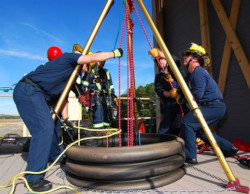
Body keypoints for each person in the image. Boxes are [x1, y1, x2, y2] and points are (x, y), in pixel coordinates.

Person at [13, 46, 123, 192]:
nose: (85, 70)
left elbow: (64, 99)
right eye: (86, 67)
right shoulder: (69, 58)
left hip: (40, 95)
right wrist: (115, 53)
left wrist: (66, 120)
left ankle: (55, 157)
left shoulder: (69, 78)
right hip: (29, 91)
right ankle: (33, 177)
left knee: (53, 125)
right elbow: (95, 57)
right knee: (44, 129)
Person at [180, 43, 238, 164]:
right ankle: (229, 148)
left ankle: (190, 156)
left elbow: (197, 95)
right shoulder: (193, 75)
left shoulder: (198, 72)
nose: (184, 57)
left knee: (187, 123)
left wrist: (181, 99)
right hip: (215, 106)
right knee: (202, 132)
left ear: (195, 58)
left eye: (187, 54)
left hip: (213, 106)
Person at [153, 51, 187, 135]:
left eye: (161, 59)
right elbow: (158, 90)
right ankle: (161, 143)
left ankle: (195, 140)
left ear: (167, 59)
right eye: (158, 60)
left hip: (183, 100)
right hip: (169, 103)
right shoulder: (159, 76)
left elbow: (177, 61)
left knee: (189, 121)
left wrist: (161, 53)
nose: (159, 61)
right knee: (165, 126)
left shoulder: (176, 69)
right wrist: (169, 94)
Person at [79, 56, 118, 129]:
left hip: (107, 100)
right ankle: (98, 135)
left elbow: (111, 86)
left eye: (104, 61)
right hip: (96, 99)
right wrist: (84, 97)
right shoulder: (90, 72)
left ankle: (106, 133)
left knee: (107, 119)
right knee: (98, 120)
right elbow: (82, 87)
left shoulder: (106, 72)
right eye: (101, 60)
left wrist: (113, 98)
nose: (103, 63)